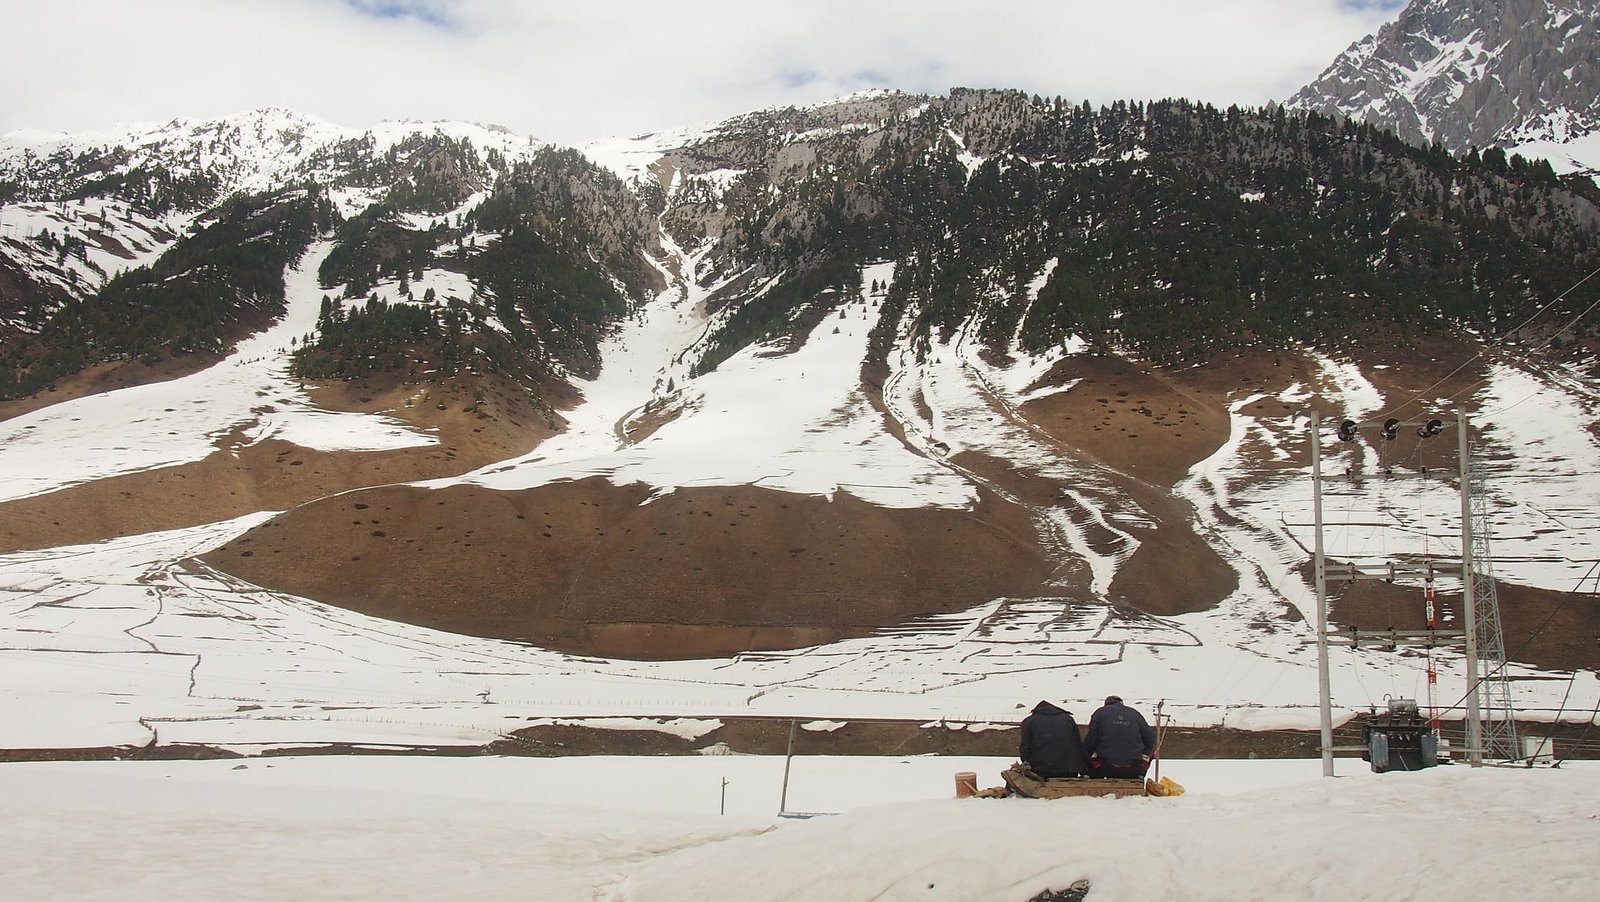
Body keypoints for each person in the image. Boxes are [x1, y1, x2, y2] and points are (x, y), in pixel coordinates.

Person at [1084, 695, 1156, 778]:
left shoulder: (1100, 713)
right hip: (1134, 766)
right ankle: (1140, 775)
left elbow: (1089, 742)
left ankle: (1096, 779)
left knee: (1084, 750)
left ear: (1106, 704)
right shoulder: (1135, 714)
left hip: (1106, 766)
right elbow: (1150, 741)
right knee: (1151, 751)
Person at [1018, 700, 1088, 778]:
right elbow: (1078, 745)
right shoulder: (1068, 719)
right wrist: (1083, 769)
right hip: (1070, 769)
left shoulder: (1029, 721)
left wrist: (1028, 765)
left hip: (1042, 770)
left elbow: (1025, 748)